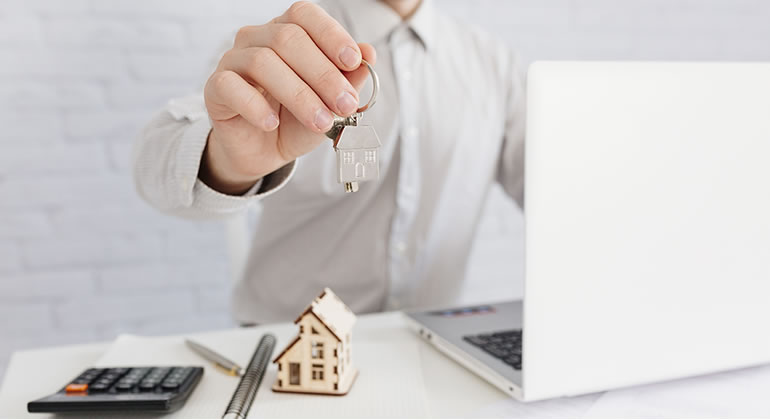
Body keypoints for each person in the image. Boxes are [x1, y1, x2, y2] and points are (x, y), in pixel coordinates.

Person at [134, 0, 525, 324]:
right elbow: (155, 172)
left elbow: (561, 190)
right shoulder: (273, 49)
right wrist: (228, 160)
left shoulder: (494, 63)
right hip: (286, 347)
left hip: (436, 348)